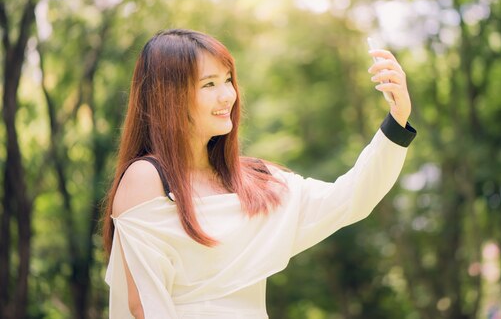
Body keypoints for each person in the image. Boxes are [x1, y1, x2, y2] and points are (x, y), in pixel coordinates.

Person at [100, 28, 416, 318]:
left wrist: (397, 118)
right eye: (209, 84)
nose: (227, 95)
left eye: (227, 80)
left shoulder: (253, 180)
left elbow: (350, 198)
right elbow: (145, 305)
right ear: (167, 97)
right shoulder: (146, 179)